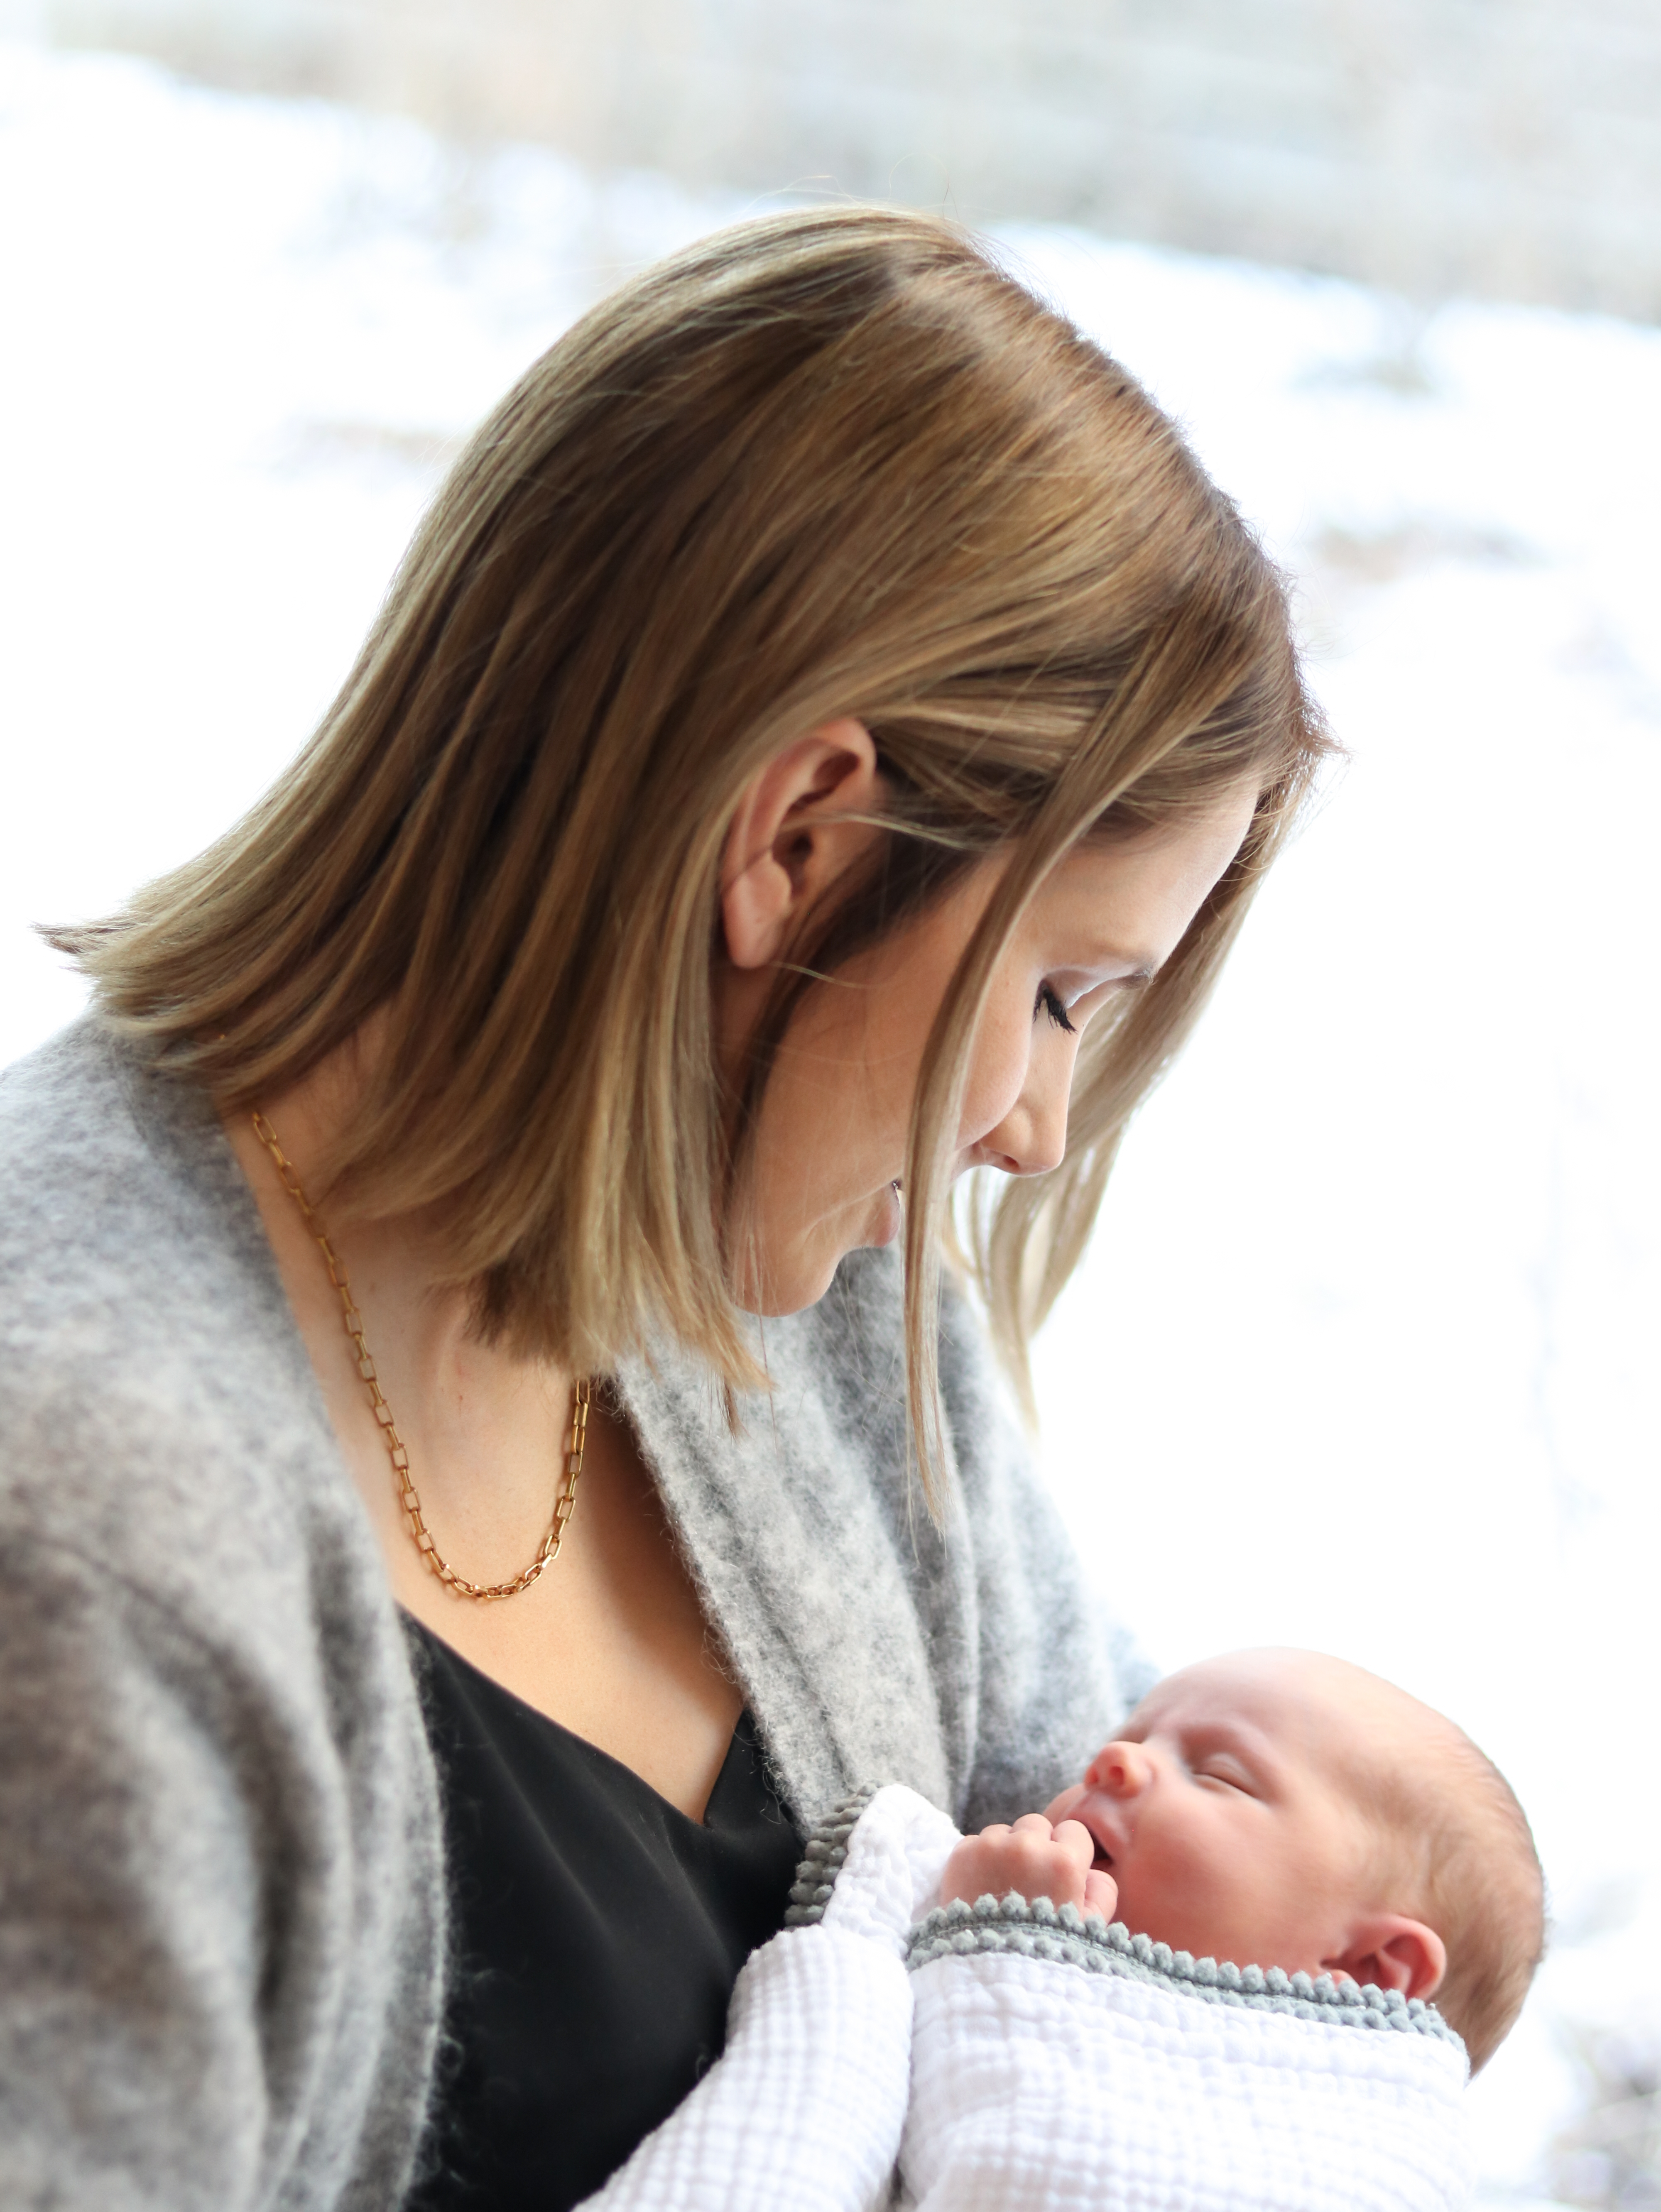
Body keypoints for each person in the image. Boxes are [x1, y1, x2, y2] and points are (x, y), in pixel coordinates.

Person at [0, 206, 1328, 2211]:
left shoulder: (814, 1306)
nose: (1034, 1130)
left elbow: (1203, 1999)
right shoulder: (84, 1525)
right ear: (799, 837)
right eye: (1056, 994)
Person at [577, 1649, 1543, 2212]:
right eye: (1130, 1735)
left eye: (1219, 1774)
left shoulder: (1354, 2148)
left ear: (1371, 1968)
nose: (1120, 1759)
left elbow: (1040, 2166)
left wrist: (1001, 1943)